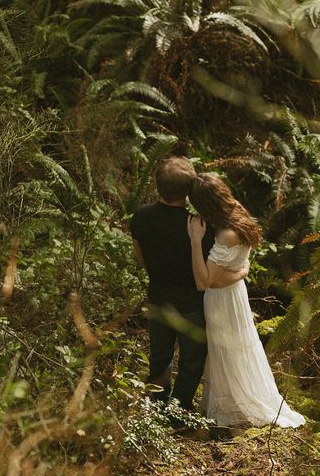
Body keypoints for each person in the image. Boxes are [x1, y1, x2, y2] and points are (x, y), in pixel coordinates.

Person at [187, 172, 305, 428]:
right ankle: (227, 400)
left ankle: (234, 405)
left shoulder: (226, 234)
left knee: (228, 350)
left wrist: (196, 241)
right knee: (234, 347)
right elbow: (222, 275)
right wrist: (241, 272)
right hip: (234, 293)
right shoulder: (238, 212)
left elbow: (203, 281)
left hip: (222, 300)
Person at [130, 157, 248, 410]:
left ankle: (157, 407)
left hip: (158, 297)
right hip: (192, 305)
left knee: (160, 357)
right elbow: (210, 273)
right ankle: (179, 411)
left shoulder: (141, 216)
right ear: (188, 191)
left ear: (157, 186)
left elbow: (139, 256)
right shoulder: (199, 226)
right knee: (191, 361)